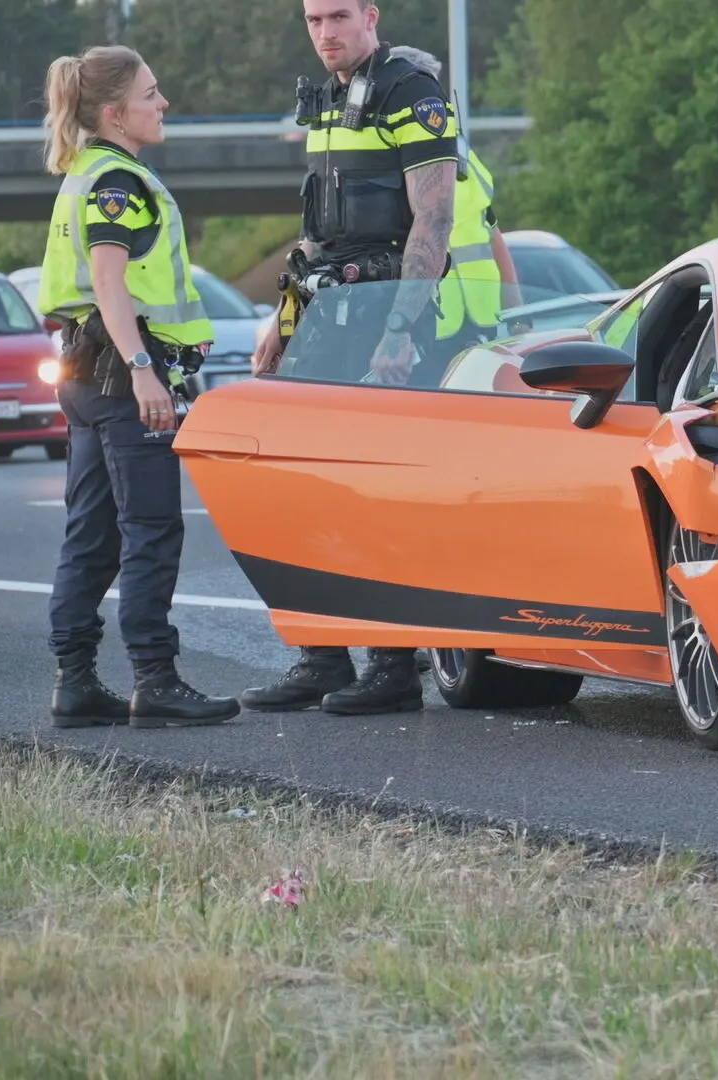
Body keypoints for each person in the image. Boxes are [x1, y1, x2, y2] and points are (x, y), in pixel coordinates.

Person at [240, 0, 461, 715]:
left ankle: (393, 666)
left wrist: (399, 334)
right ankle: (323, 656)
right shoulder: (331, 100)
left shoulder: (410, 91)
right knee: (309, 491)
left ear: (372, 14)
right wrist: (282, 322)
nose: (326, 32)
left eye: (339, 16)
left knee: (374, 497)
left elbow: (434, 219)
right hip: (327, 316)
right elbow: (318, 234)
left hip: (385, 317)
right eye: (313, 20)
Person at [35, 46, 241, 728]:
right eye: (152, 94)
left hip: (89, 375)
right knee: (150, 530)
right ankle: (155, 680)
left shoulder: (87, 171)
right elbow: (108, 278)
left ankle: (76, 683)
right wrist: (144, 367)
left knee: (90, 535)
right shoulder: (115, 182)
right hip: (124, 379)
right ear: (116, 113)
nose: (165, 103)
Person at [385, 45, 525, 383]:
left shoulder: (465, 159)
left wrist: (519, 312)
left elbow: (491, 235)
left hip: (483, 322)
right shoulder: (388, 161)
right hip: (427, 326)